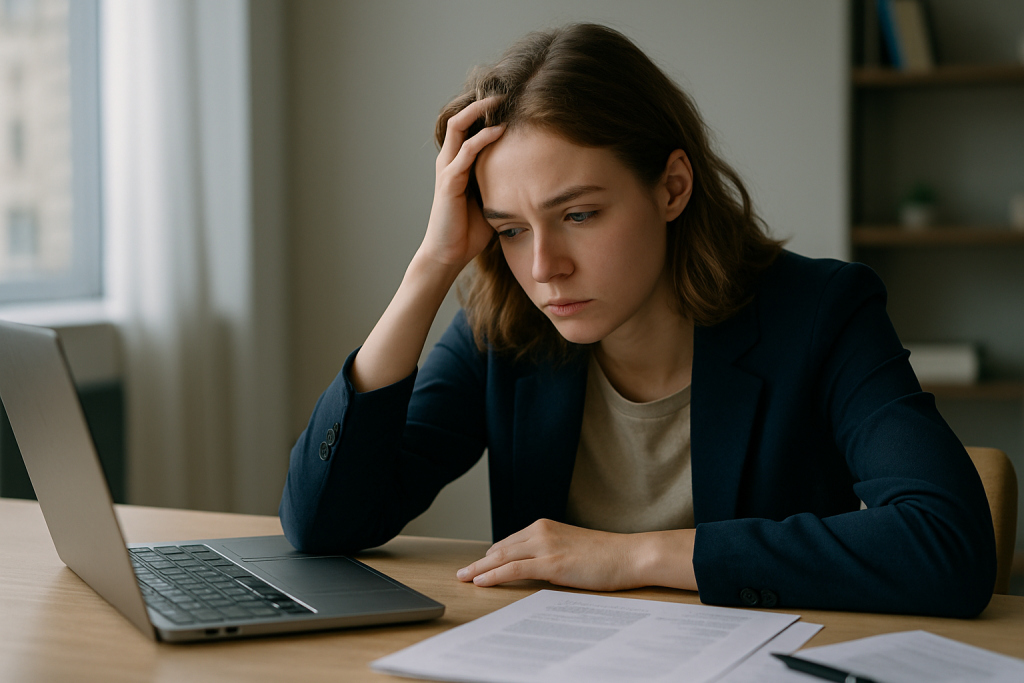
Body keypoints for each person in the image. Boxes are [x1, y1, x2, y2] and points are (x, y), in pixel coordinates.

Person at [279, 23, 996, 618]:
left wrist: (631, 555)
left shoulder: (821, 313)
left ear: (673, 187)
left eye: (579, 214)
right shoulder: (506, 329)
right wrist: (430, 266)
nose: (543, 267)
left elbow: (947, 544)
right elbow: (324, 526)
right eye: (510, 229)